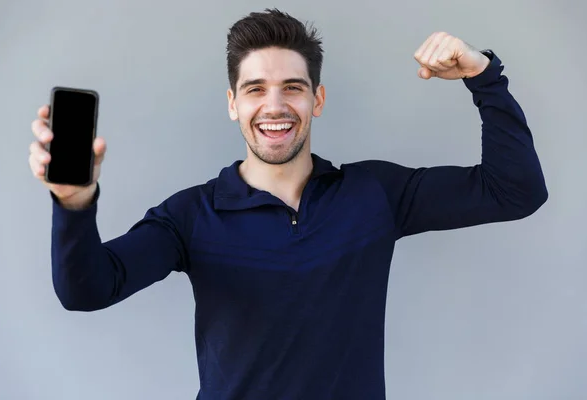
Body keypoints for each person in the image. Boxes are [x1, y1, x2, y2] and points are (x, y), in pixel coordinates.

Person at [28, 8, 547, 400]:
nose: (274, 106)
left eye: (292, 87)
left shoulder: (375, 195)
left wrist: (484, 77)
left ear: (316, 100)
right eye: (255, 89)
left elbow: (516, 191)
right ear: (233, 104)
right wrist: (75, 205)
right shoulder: (190, 217)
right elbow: (87, 289)